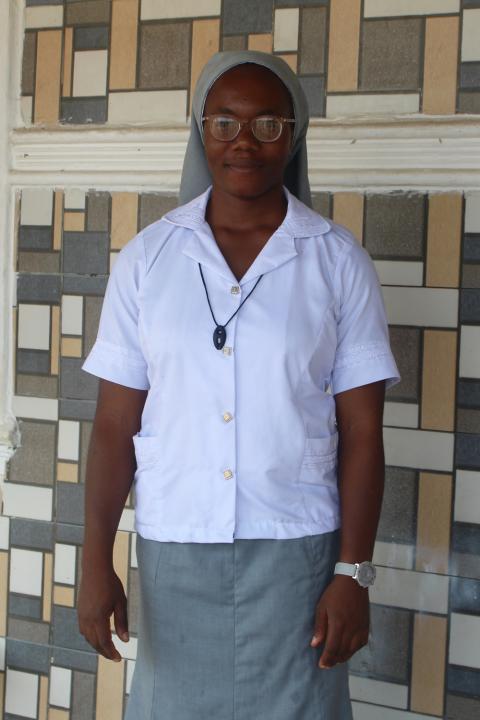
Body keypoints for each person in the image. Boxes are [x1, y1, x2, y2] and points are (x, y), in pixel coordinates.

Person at [78, 50, 401, 720]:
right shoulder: (148, 260)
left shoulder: (338, 262)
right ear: (201, 130)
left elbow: (363, 433)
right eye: (225, 122)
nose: (244, 143)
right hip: (176, 553)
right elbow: (114, 425)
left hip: (299, 555)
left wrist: (352, 573)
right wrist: (95, 559)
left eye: (267, 124)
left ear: (294, 134)